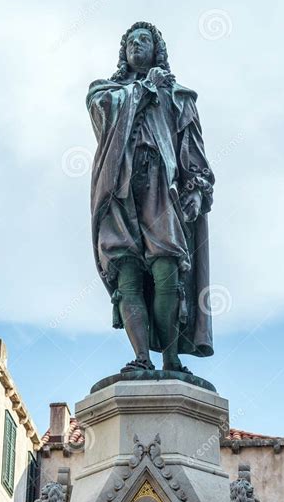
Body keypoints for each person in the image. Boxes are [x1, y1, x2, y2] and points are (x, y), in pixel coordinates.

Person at [87, 22, 215, 373]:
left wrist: (198, 191)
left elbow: (193, 153)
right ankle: (142, 357)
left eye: (144, 40)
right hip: (118, 189)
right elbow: (107, 114)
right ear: (123, 52)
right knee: (126, 273)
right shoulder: (103, 91)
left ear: (157, 50)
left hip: (162, 186)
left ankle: (171, 359)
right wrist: (147, 87)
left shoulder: (179, 98)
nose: (137, 46)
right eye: (131, 41)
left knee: (167, 269)